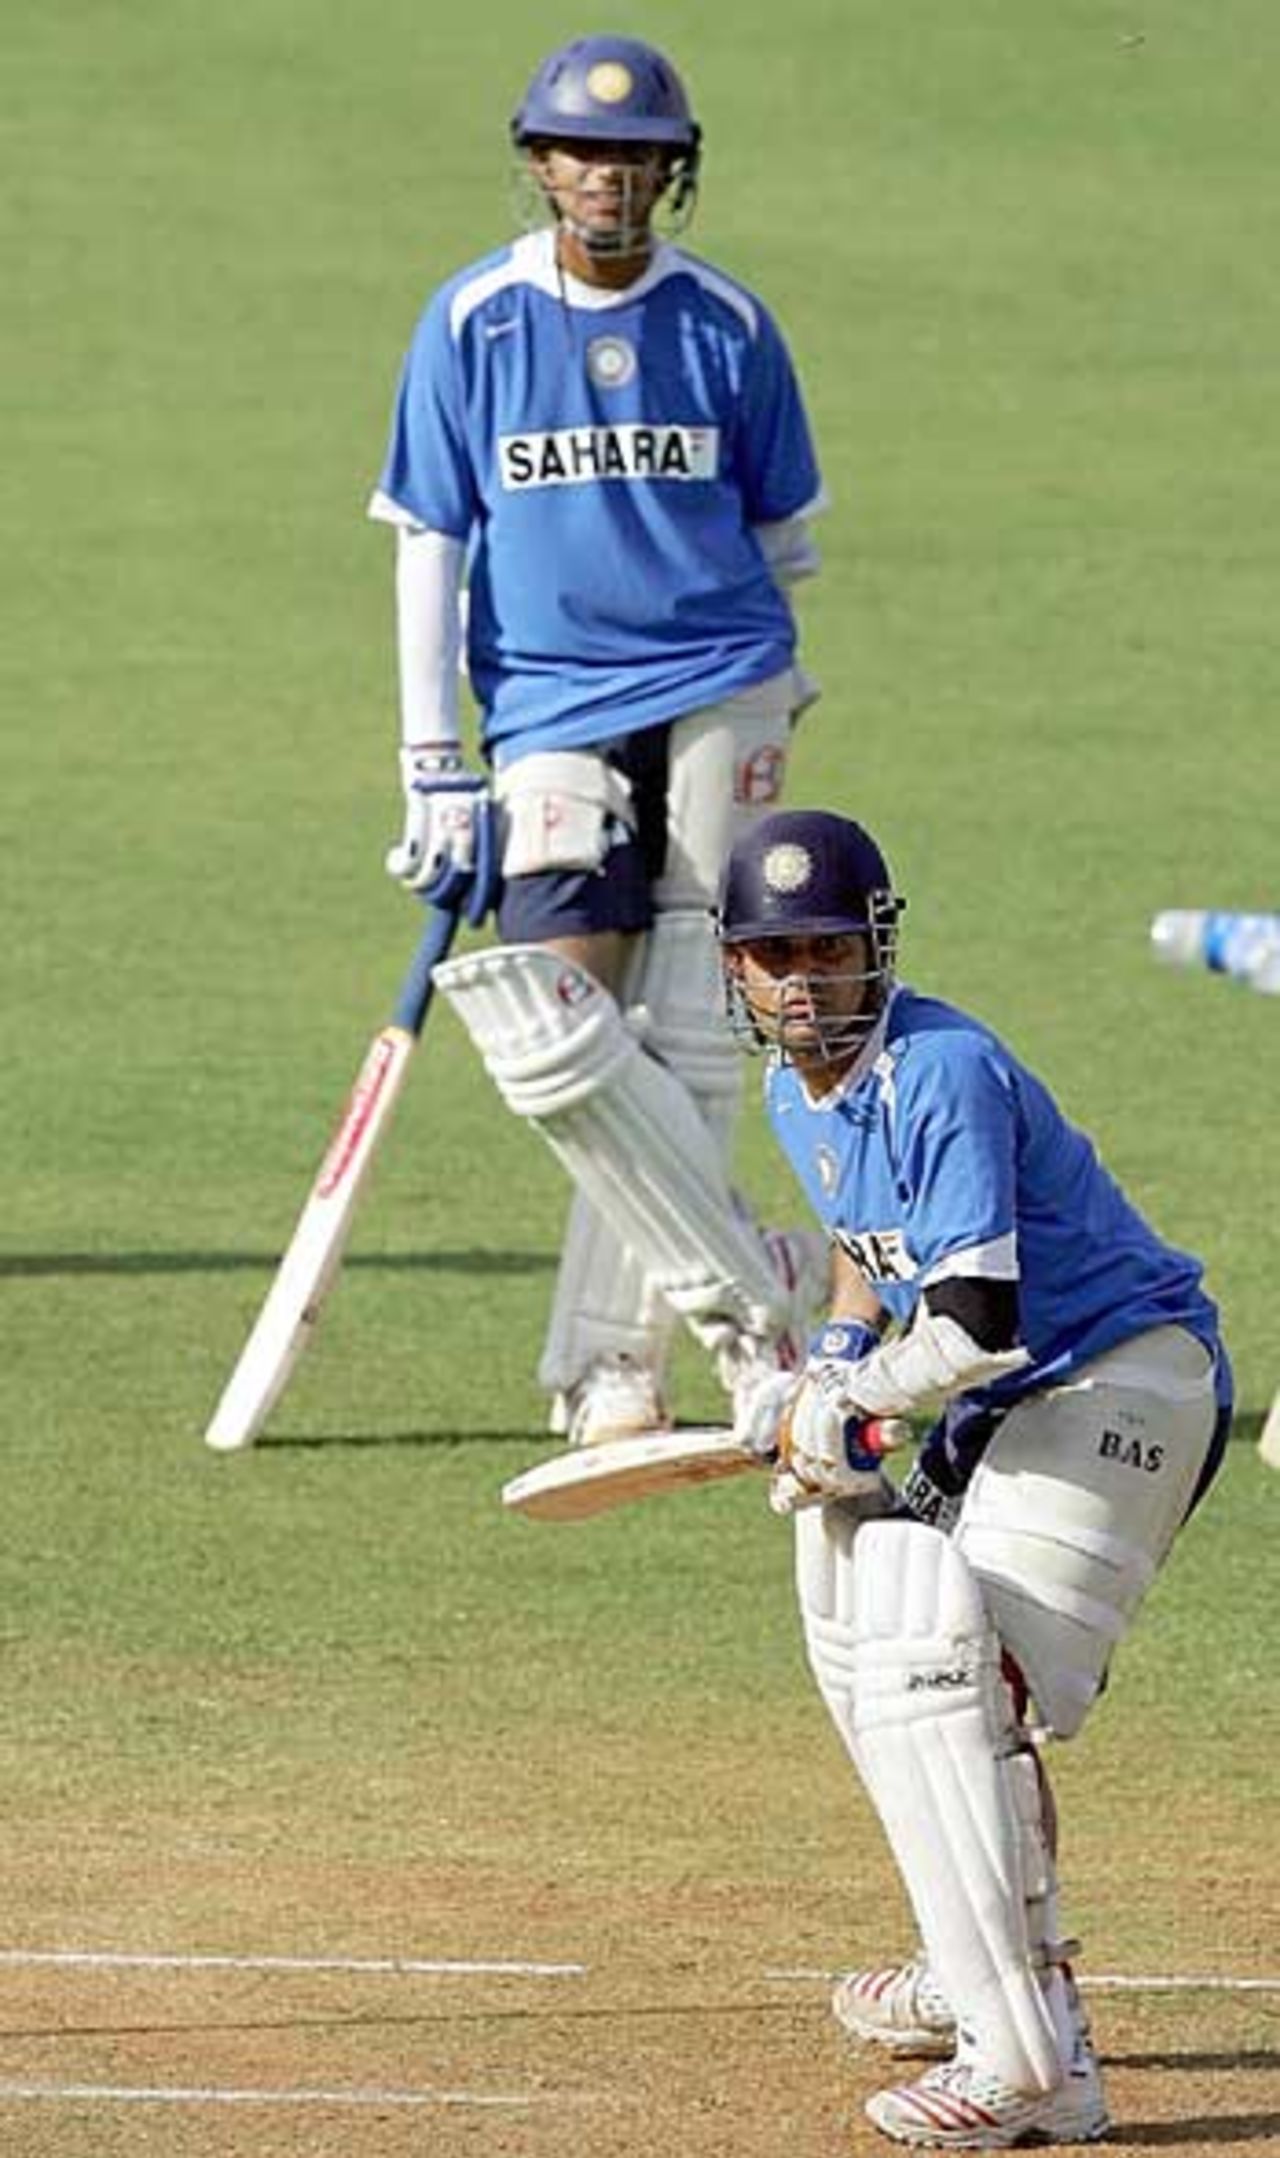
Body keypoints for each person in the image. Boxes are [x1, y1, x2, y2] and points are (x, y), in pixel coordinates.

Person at [716, 808, 1233, 2148]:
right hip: (1014, 1399)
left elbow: (975, 1319)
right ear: (736, 968)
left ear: (878, 946)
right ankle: (987, 1966)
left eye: (827, 947)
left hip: (1121, 1376)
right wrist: (829, 1355)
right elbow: (868, 1256)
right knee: (873, 1609)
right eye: (775, 954)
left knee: (955, 1672)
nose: (803, 980)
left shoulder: (937, 1067)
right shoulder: (795, 1087)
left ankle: (1029, 2061)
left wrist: (851, 1402)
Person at [368, 35, 829, 1443]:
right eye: (581, 152)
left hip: (721, 677)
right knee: (552, 1030)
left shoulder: (728, 326)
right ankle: (760, 1298)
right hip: (549, 702)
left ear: (671, 171)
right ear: (537, 162)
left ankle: (611, 1368)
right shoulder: (471, 324)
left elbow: (782, 538)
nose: (607, 179)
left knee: (693, 1026)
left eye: (635, 157)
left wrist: (733, 671)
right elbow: (427, 540)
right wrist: (432, 758)